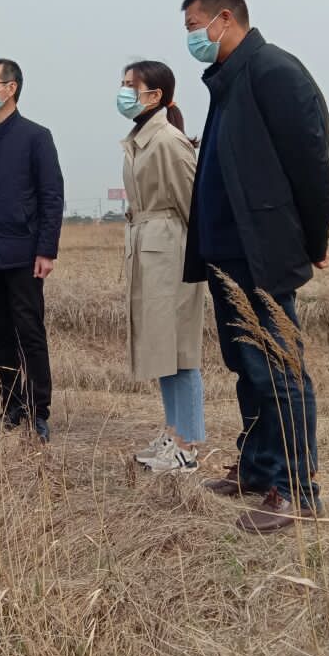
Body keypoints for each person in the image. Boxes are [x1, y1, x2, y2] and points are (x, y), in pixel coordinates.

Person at [180, 0, 329, 533]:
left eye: (194, 27)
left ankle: (297, 490)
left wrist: (315, 240)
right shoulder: (227, 82)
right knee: (247, 370)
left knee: (280, 371)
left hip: (262, 250)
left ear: (225, 18)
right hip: (226, 253)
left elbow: (311, 165)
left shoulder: (274, 72)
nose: (192, 38)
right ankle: (257, 470)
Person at [0, 59, 64, 442]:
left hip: (24, 253)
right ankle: (11, 406)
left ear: (11, 87)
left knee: (29, 332)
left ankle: (38, 411)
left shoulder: (36, 137)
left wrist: (46, 250)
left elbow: (51, 197)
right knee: (0, 335)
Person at [117, 61, 206, 473]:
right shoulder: (141, 140)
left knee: (181, 350)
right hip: (150, 252)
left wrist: (198, 260)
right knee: (161, 350)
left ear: (155, 95)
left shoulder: (168, 141)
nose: (123, 93)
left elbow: (193, 205)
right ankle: (173, 432)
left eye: (130, 86)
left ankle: (188, 446)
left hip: (173, 255)